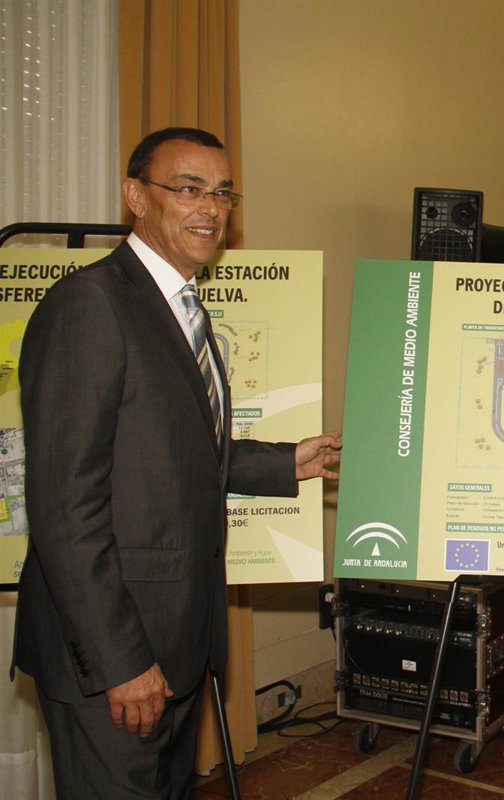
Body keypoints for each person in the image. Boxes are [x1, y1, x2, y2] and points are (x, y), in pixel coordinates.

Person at [10, 127, 341, 799]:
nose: (210, 209)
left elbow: (168, 450)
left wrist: (285, 463)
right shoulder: (90, 306)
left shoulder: (184, 308)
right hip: (114, 656)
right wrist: (121, 662)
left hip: (178, 644)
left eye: (222, 193)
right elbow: (65, 508)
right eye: (188, 189)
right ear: (136, 197)